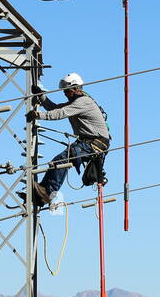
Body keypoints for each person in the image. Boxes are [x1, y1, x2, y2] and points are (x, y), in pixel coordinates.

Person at [24, 73, 111, 207]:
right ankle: (42, 192)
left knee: (62, 160)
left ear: (76, 88)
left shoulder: (83, 102)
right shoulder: (76, 102)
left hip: (96, 142)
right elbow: (55, 108)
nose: (65, 94)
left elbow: (61, 113)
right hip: (88, 142)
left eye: (67, 91)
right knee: (59, 161)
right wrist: (41, 96)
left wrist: (38, 115)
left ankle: (46, 194)